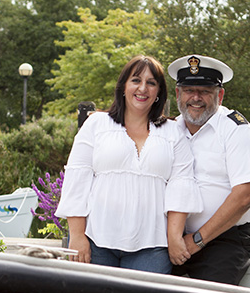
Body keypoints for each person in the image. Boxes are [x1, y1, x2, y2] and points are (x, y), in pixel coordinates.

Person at [56, 55, 201, 274]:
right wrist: (77, 236)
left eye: (151, 83)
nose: (143, 88)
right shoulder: (96, 124)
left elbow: (181, 187)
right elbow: (78, 180)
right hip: (96, 241)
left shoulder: (173, 133)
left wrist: (174, 238)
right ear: (123, 86)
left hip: (152, 247)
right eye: (136, 80)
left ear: (159, 92)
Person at [168, 53, 250, 285]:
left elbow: (245, 196)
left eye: (204, 91)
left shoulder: (236, 130)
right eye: (188, 90)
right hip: (176, 238)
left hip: (226, 239)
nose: (196, 98)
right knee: (144, 291)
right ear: (178, 94)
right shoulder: (169, 130)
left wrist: (194, 242)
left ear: (220, 95)